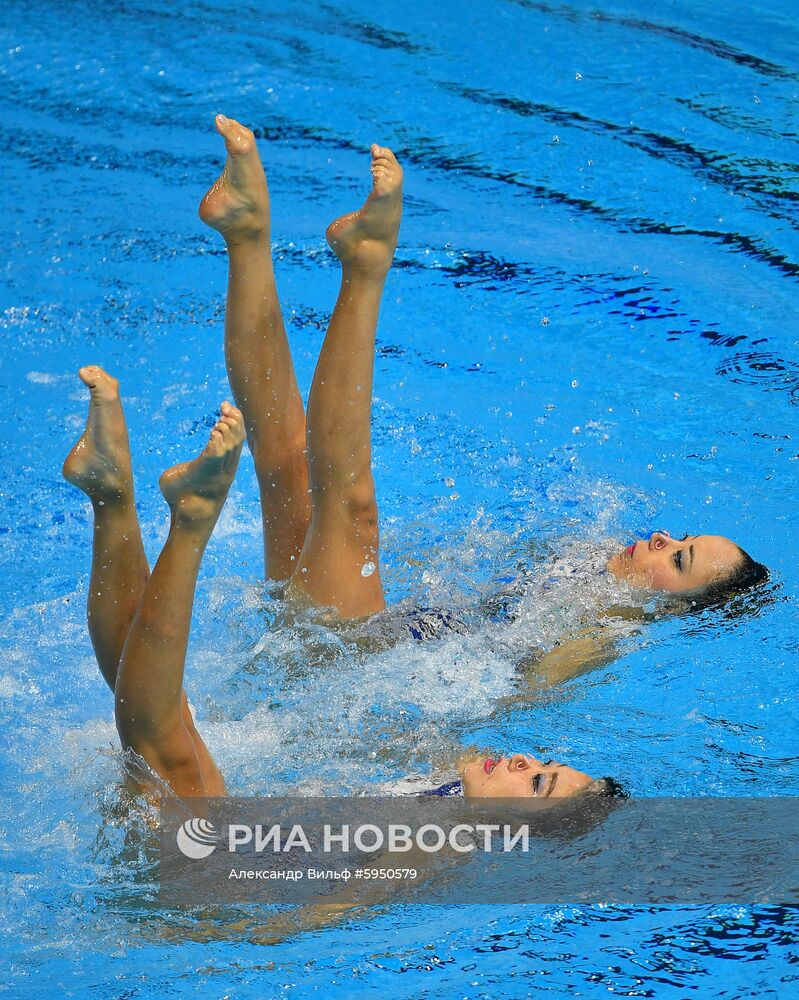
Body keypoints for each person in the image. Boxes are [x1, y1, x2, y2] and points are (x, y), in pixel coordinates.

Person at [62, 123, 611, 801]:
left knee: (163, 749)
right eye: (544, 764)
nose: (527, 760)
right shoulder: (455, 782)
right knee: (287, 472)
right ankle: (120, 492)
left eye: (539, 783)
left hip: (285, 745)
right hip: (311, 700)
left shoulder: (426, 847)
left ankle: (160, 508)